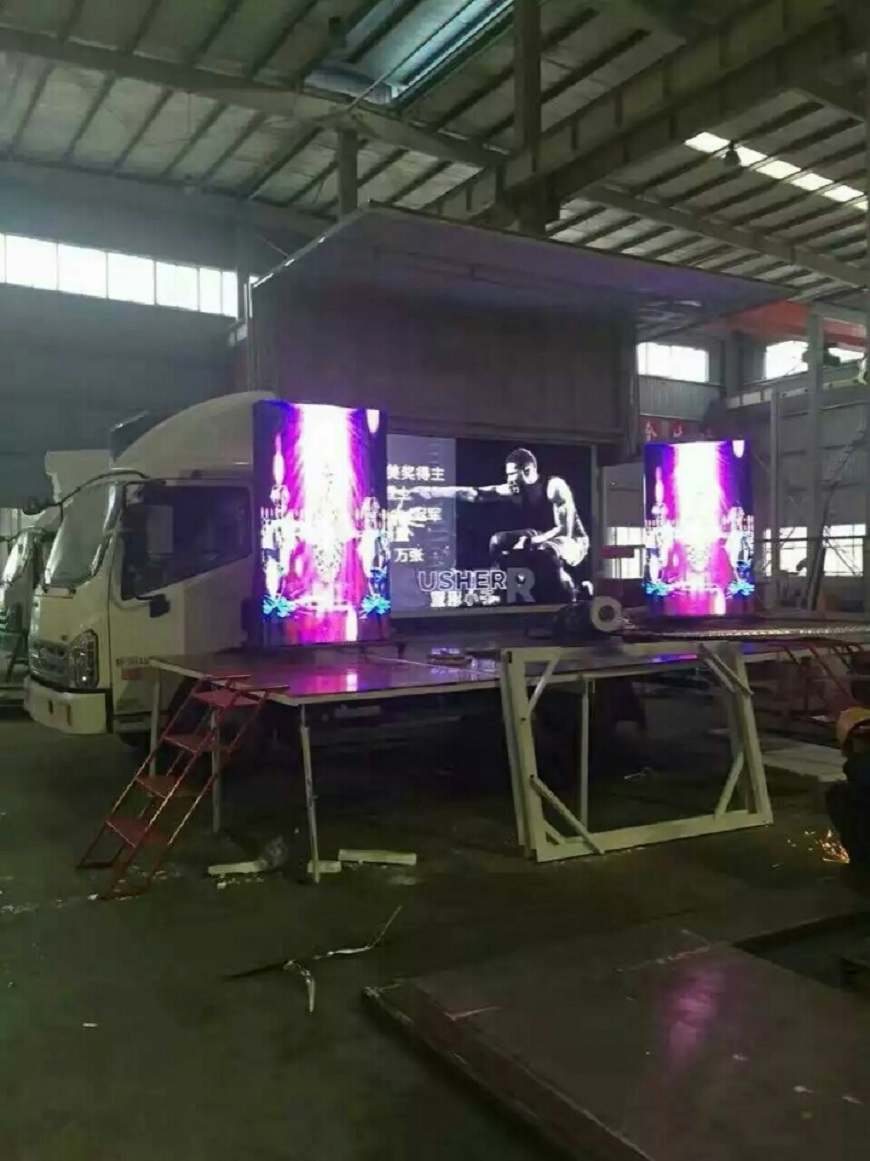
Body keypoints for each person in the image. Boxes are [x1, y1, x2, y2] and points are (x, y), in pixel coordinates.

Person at [410, 448, 589, 602]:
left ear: (527, 470)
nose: (509, 479)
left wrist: (531, 542)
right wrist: (432, 492)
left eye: (512, 474)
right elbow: (475, 493)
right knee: (499, 541)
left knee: (546, 551)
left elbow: (564, 531)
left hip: (572, 540)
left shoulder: (554, 486)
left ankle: (570, 590)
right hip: (540, 535)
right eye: (507, 474)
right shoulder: (513, 488)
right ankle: (499, 587)